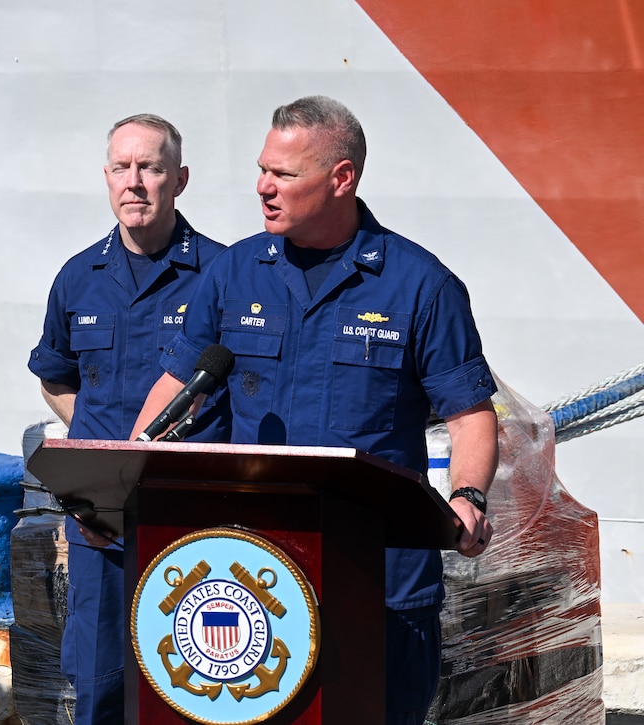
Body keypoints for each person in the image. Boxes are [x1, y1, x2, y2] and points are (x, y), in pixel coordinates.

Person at [132, 96, 498, 724]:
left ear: (341, 179)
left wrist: (469, 496)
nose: (263, 187)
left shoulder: (419, 285)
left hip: (379, 578)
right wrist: (126, 477)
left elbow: (470, 415)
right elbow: (177, 385)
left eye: (283, 175)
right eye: (262, 169)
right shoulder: (233, 273)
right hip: (254, 577)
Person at [28, 114, 230, 724]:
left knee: (199, 685)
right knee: (100, 686)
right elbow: (56, 378)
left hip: (192, 520)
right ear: (107, 177)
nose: (135, 182)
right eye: (122, 168)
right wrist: (99, 453)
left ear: (181, 179)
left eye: (151, 168)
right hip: (100, 530)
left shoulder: (225, 275)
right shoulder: (77, 278)